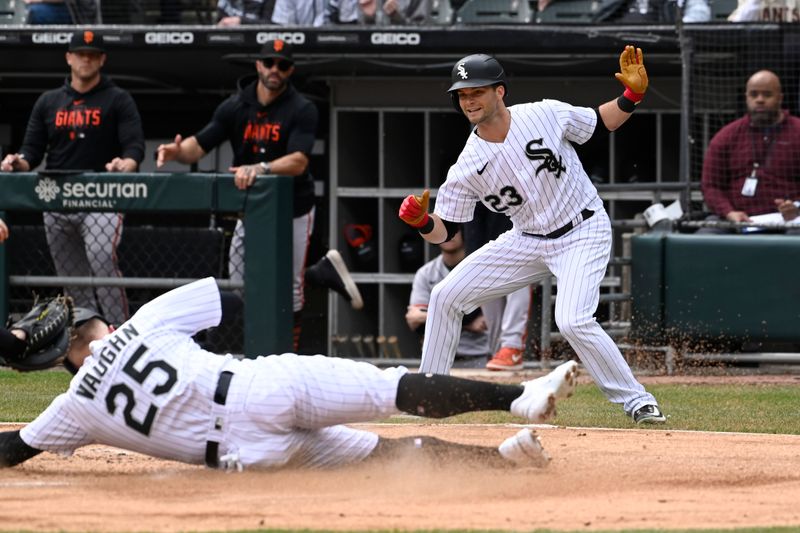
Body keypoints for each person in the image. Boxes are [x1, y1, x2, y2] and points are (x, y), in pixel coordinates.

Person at [0, 277, 579, 471]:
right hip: (260, 388)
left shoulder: (72, 408)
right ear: (80, 328)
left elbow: (11, 451)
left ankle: (503, 461)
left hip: (243, 457)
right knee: (390, 389)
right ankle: (518, 399)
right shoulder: (144, 323)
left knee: (384, 455)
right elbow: (226, 295)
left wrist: (20, 347)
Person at [398, 46, 666, 424]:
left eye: (477, 91)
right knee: (444, 296)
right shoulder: (467, 164)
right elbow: (446, 232)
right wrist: (422, 222)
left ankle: (637, 400)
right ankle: (428, 397)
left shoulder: (544, 113)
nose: (469, 100)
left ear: (499, 91)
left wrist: (632, 96)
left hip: (582, 228)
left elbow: (600, 122)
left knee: (572, 320)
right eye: (462, 94)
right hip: (526, 239)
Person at [156, 39, 362, 350]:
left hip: (294, 206)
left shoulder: (300, 107)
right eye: (269, 63)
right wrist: (176, 152)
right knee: (241, 281)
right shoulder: (236, 105)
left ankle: (286, 356)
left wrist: (261, 167)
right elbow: (198, 145)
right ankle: (317, 275)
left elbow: (299, 161)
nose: (274, 70)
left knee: (291, 287)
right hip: (250, 209)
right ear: (258, 66)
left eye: (282, 65)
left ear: (290, 70)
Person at [0, 31, 145, 327]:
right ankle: (86, 338)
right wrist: (18, 161)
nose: (86, 59)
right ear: (68, 57)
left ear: (102, 59)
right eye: (80, 53)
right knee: (71, 277)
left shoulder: (118, 98)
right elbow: (32, 151)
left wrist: (125, 164)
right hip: (57, 195)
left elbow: (134, 148)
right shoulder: (49, 101)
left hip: (101, 195)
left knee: (102, 259)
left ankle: (121, 333)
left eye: (92, 54)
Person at [699, 70, 800, 235]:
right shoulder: (726, 136)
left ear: (780, 98)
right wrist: (729, 212)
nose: (759, 100)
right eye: (754, 94)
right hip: (737, 219)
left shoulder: (797, 131)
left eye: (767, 94)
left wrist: (796, 207)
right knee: (706, 235)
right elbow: (711, 186)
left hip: (789, 221)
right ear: (746, 97)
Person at [406, 227, 492, 369]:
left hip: (477, 356)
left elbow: (485, 321)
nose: (449, 234)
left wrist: (429, 317)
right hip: (437, 357)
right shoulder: (426, 273)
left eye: (455, 229)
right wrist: (468, 323)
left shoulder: (479, 269)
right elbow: (414, 321)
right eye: (443, 228)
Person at [463, 205, 532, 371]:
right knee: (490, 305)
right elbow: (473, 222)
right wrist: (473, 260)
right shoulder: (476, 181)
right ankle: (498, 353)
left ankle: (512, 346)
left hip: (524, 247)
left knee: (518, 286)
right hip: (489, 249)